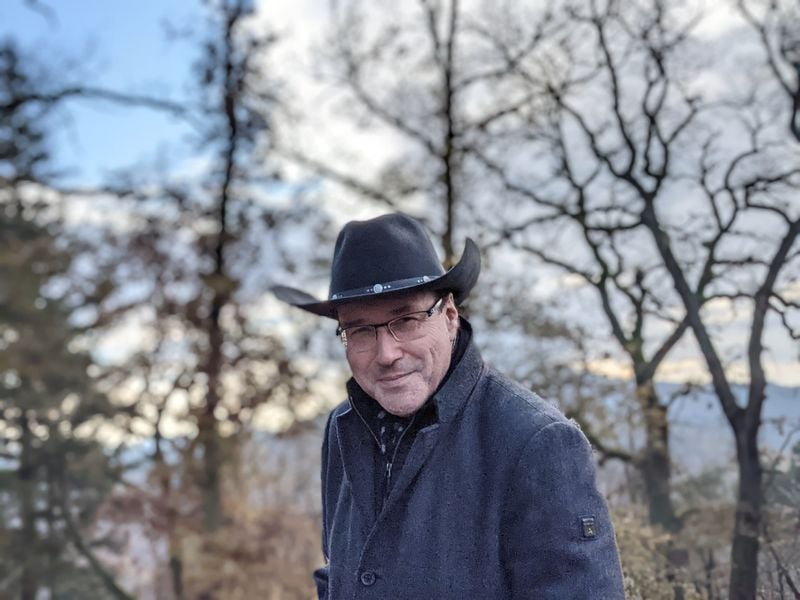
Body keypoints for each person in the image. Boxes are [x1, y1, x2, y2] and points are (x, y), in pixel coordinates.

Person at [273, 213, 625, 599]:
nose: (386, 354)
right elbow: (341, 573)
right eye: (360, 330)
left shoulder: (537, 442)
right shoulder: (341, 426)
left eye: (406, 320)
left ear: (450, 317)